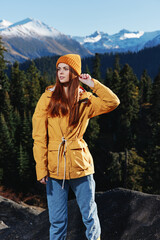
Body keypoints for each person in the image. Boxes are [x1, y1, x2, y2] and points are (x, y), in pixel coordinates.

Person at [32, 54, 120, 240]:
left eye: (66, 69)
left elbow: (113, 102)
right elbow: (39, 137)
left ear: (75, 73)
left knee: (89, 215)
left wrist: (92, 83)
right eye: (59, 69)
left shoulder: (85, 99)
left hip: (81, 165)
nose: (61, 72)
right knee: (57, 221)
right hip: (54, 169)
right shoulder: (46, 98)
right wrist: (41, 168)